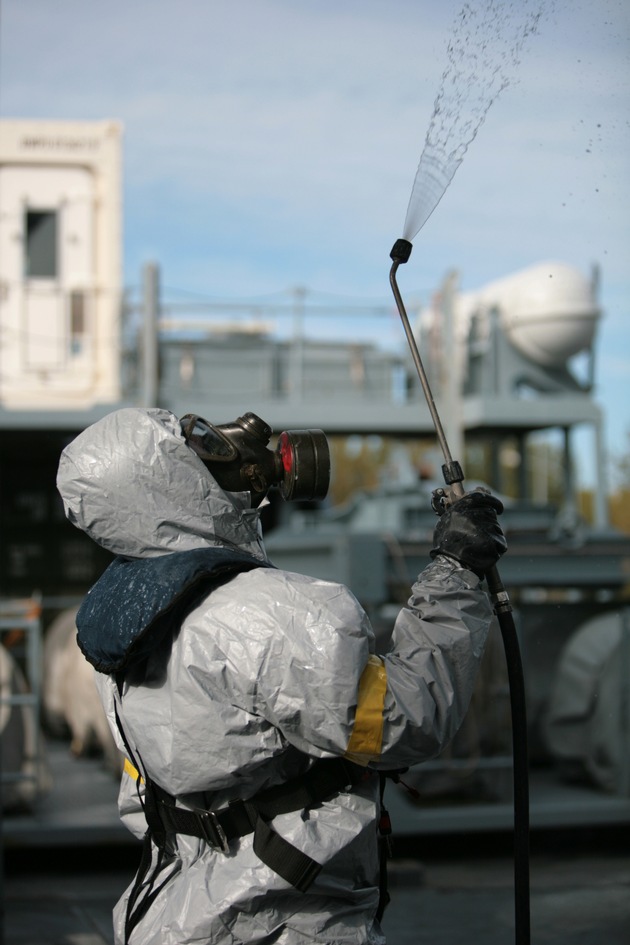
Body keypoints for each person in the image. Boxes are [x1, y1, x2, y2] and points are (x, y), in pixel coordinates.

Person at [56, 405, 507, 945]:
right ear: (167, 480)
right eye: (201, 439)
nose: (242, 429)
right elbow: (406, 720)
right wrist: (455, 572)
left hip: (175, 909)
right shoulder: (272, 616)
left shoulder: (122, 619)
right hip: (284, 917)